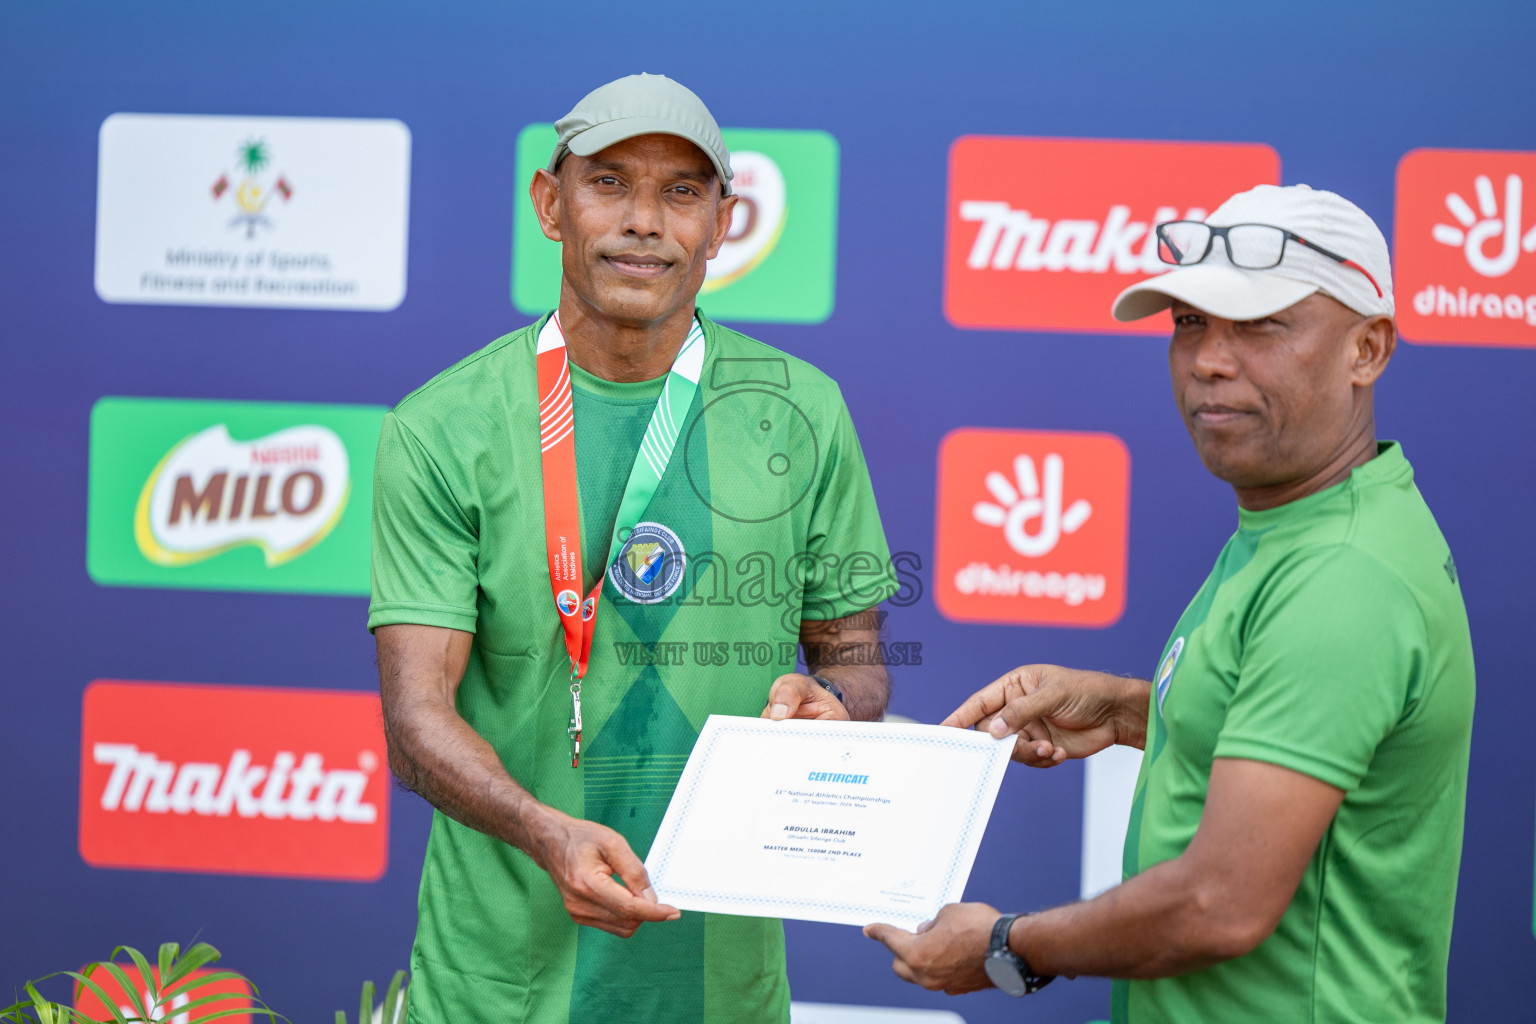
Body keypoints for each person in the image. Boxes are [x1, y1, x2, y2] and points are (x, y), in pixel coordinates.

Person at [866, 184, 1475, 1023]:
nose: (1210, 361)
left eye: (1262, 326)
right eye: (1191, 324)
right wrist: (1126, 711)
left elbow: (1218, 904)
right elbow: (1317, 730)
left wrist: (1008, 944)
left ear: (1367, 349)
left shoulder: (1339, 574)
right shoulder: (1308, 520)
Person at [370, 73, 897, 1024]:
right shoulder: (442, 427)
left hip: (721, 985)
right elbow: (415, 722)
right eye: (610, 183)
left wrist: (837, 711)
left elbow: (852, 656)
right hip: (496, 987)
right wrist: (542, 831)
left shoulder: (804, 411)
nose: (645, 222)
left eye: (682, 192)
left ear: (723, 222)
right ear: (550, 204)